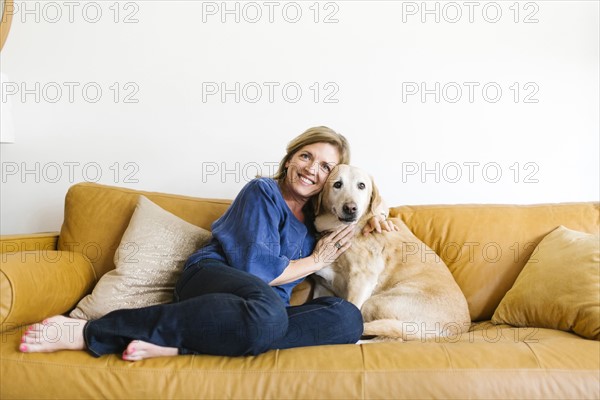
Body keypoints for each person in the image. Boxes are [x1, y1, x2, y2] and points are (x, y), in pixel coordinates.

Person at [20, 126, 396, 360]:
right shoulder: (262, 191)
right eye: (306, 156)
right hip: (212, 279)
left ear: (330, 181)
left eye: (326, 167)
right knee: (267, 312)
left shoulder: (317, 222)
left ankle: (184, 344)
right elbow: (257, 271)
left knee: (346, 319)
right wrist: (315, 261)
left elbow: (364, 199)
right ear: (289, 160)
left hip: (254, 316)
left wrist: (377, 213)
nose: (313, 168)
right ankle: (93, 332)